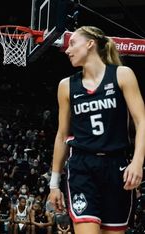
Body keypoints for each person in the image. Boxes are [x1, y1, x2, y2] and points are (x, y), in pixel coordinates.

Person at [48, 25, 145, 234]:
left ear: (90, 44)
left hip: (117, 165)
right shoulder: (66, 85)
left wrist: (137, 162)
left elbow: (142, 121)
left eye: (72, 43)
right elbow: (62, 135)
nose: (67, 50)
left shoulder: (122, 75)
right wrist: (53, 183)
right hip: (82, 166)